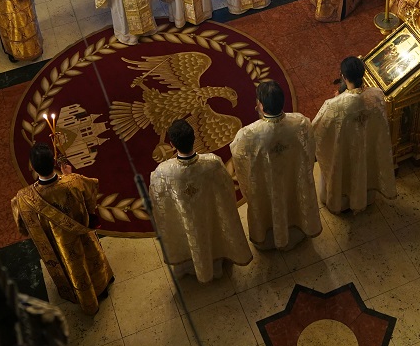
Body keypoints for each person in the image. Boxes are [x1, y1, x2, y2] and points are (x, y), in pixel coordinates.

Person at [12, 142, 113, 315]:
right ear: (53, 162)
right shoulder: (74, 182)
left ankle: (82, 295)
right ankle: (101, 285)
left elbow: (23, 227)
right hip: (82, 236)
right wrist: (69, 175)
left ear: (33, 167)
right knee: (91, 258)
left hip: (59, 246)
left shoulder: (23, 199)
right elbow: (91, 198)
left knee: (73, 268)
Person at [150, 119, 252, 282]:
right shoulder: (212, 163)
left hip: (185, 220)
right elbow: (227, 192)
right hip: (209, 216)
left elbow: (160, 206)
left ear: (172, 145)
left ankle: (190, 265)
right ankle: (217, 260)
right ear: (194, 138)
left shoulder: (162, 173)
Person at [229, 80, 322, 251]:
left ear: (262, 106)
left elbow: (240, 160)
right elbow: (309, 151)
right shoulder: (300, 123)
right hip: (292, 179)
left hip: (267, 185)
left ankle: (271, 237)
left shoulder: (248, 134)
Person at [312, 57, 396, 214]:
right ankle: (365, 197)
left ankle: (341, 202)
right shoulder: (376, 96)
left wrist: (338, 99)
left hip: (345, 151)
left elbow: (317, 131)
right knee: (364, 167)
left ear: (343, 77)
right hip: (367, 147)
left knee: (343, 169)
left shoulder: (334, 105)